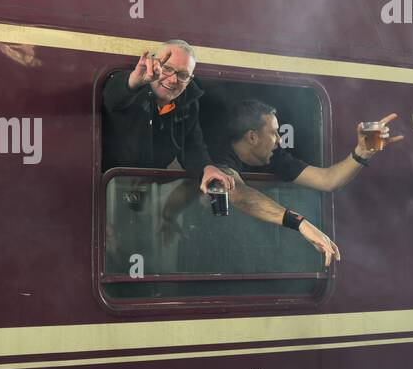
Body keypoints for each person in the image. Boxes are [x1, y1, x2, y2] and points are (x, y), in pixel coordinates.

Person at [102, 43, 340, 266]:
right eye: (167, 69)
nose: (173, 80)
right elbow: (113, 97)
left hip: (136, 201)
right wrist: (134, 81)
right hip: (102, 194)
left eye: (183, 75)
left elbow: (195, 152)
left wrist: (206, 168)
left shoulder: (187, 106)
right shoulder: (133, 89)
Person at [214, 99, 403, 190]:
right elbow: (227, 195)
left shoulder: (275, 157)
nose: (280, 140)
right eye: (274, 133)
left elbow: (327, 180)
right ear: (252, 137)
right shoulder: (218, 157)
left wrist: (362, 151)